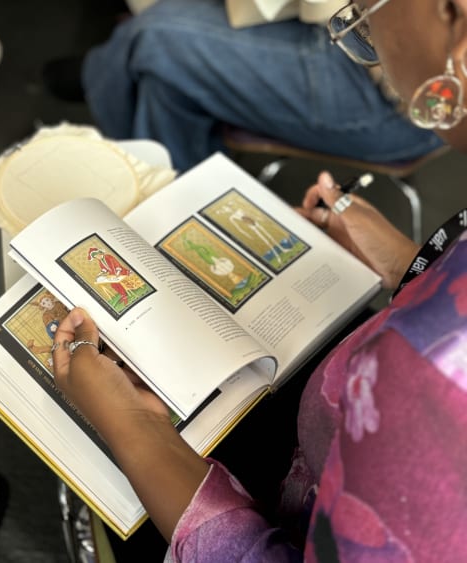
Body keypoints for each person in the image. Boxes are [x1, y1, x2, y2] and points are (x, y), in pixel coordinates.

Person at [52, 1, 467, 559]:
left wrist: (132, 427)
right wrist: (411, 267)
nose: (360, 17)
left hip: (289, 495)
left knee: (155, 50)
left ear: (454, 18)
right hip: (330, 429)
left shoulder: (419, 381)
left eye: (368, 9)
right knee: (161, 79)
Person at [80, 0, 445, 172]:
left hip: (392, 94)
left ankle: (102, 72)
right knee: (165, 83)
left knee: (151, 37)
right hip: (356, 39)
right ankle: (170, 220)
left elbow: (420, 72)